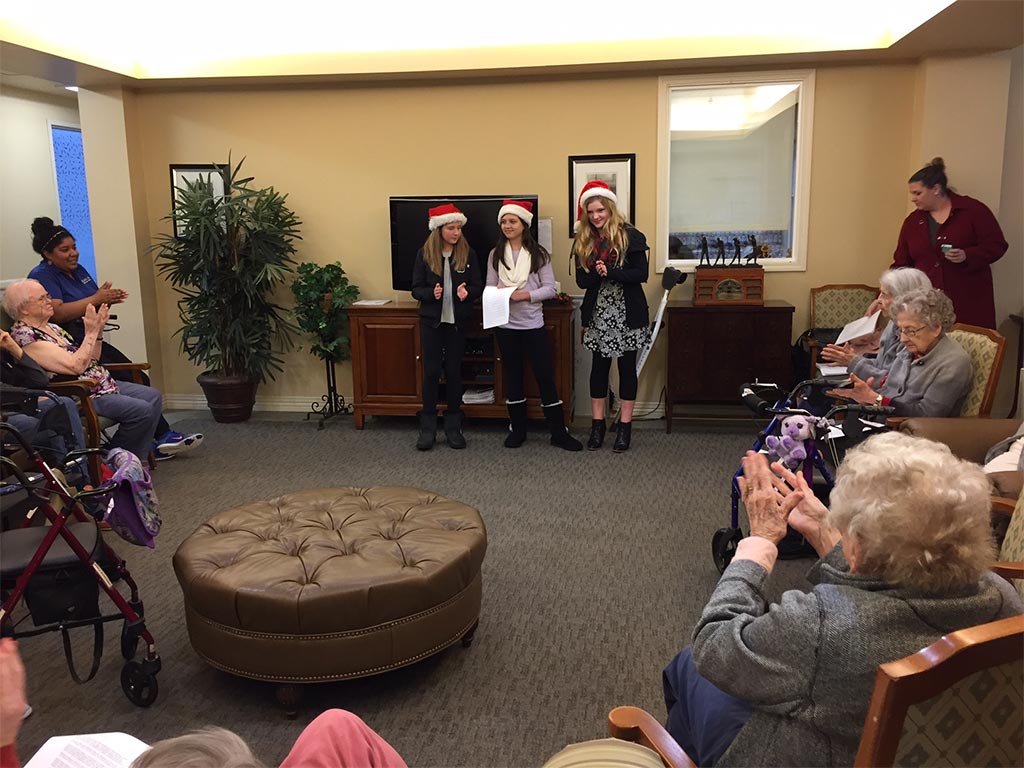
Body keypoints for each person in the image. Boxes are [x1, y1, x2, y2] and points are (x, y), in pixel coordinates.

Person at [663, 433, 1023, 767]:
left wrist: (760, 541)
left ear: (859, 546)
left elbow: (714, 644)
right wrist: (824, 531)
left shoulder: (822, 626)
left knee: (689, 666)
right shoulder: (1002, 598)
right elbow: (891, 583)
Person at [27, 217, 202, 460]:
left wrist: (105, 299)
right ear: (47, 254)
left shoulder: (77, 271)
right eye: (64, 250)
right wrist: (96, 299)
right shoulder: (42, 275)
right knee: (135, 383)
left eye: (74, 247)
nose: (73, 253)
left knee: (139, 378)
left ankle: (153, 440)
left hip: (92, 336)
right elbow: (57, 313)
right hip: (72, 343)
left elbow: (90, 300)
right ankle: (150, 441)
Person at [3, 279, 174, 464]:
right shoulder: (25, 336)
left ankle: (123, 459)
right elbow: (75, 366)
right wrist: (90, 332)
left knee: (152, 396)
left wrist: (97, 332)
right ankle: (114, 461)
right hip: (84, 392)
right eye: (42, 298)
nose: (49, 301)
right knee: (142, 411)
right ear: (24, 309)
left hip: (101, 383)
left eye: (48, 296)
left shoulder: (52, 327)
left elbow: (91, 359)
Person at [486, 200, 581, 451]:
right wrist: (497, 291)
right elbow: (489, 286)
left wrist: (524, 295)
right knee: (513, 376)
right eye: (503, 221)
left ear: (524, 224)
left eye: (512, 221)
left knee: (544, 375)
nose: (507, 225)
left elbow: (549, 289)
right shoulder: (495, 255)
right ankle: (518, 430)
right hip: (506, 326)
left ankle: (558, 432)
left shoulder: (539, 255)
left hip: (533, 325)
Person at [573, 181, 650, 453]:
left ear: (610, 209)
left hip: (627, 312)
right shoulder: (584, 240)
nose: (596, 216)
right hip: (598, 313)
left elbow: (641, 274)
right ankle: (598, 427)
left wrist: (612, 272)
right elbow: (582, 281)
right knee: (599, 369)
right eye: (591, 212)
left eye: (600, 210)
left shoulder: (630, 236)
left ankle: (625, 428)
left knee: (627, 369)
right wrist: (597, 272)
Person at [891, 158, 1007, 329]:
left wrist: (967, 255)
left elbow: (997, 245)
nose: (913, 199)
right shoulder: (913, 221)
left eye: (918, 193)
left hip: (968, 301)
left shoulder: (973, 211)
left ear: (936, 189)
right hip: (925, 306)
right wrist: (885, 295)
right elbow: (901, 263)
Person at [826, 287, 972, 417]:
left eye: (910, 330)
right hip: (877, 423)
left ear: (936, 328)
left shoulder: (954, 363)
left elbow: (926, 414)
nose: (903, 339)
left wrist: (875, 399)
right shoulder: (910, 349)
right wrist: (866, 397)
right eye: (901, 330)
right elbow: (888, 385)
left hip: (910, 435)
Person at [410, 204, 482, 450]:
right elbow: (416, 289)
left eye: (458, 228)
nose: (456, 233)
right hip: (431, 322)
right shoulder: (424, 254)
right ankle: (428, 428)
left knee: (453, 372)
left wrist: (467, 292)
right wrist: (431, 293)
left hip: (457, 323)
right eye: (451, 228)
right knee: (431, 372)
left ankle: (453, 426)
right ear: (439, 229)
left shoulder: (468, 254)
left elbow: (478, 286)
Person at [819, 266, 932, 381]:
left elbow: (892, 381)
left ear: (905, 298)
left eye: (884, 295)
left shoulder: (916, 335)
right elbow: (881, 365)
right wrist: (852, 359)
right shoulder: (892, 324)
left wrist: (854, 362)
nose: (878, 300)